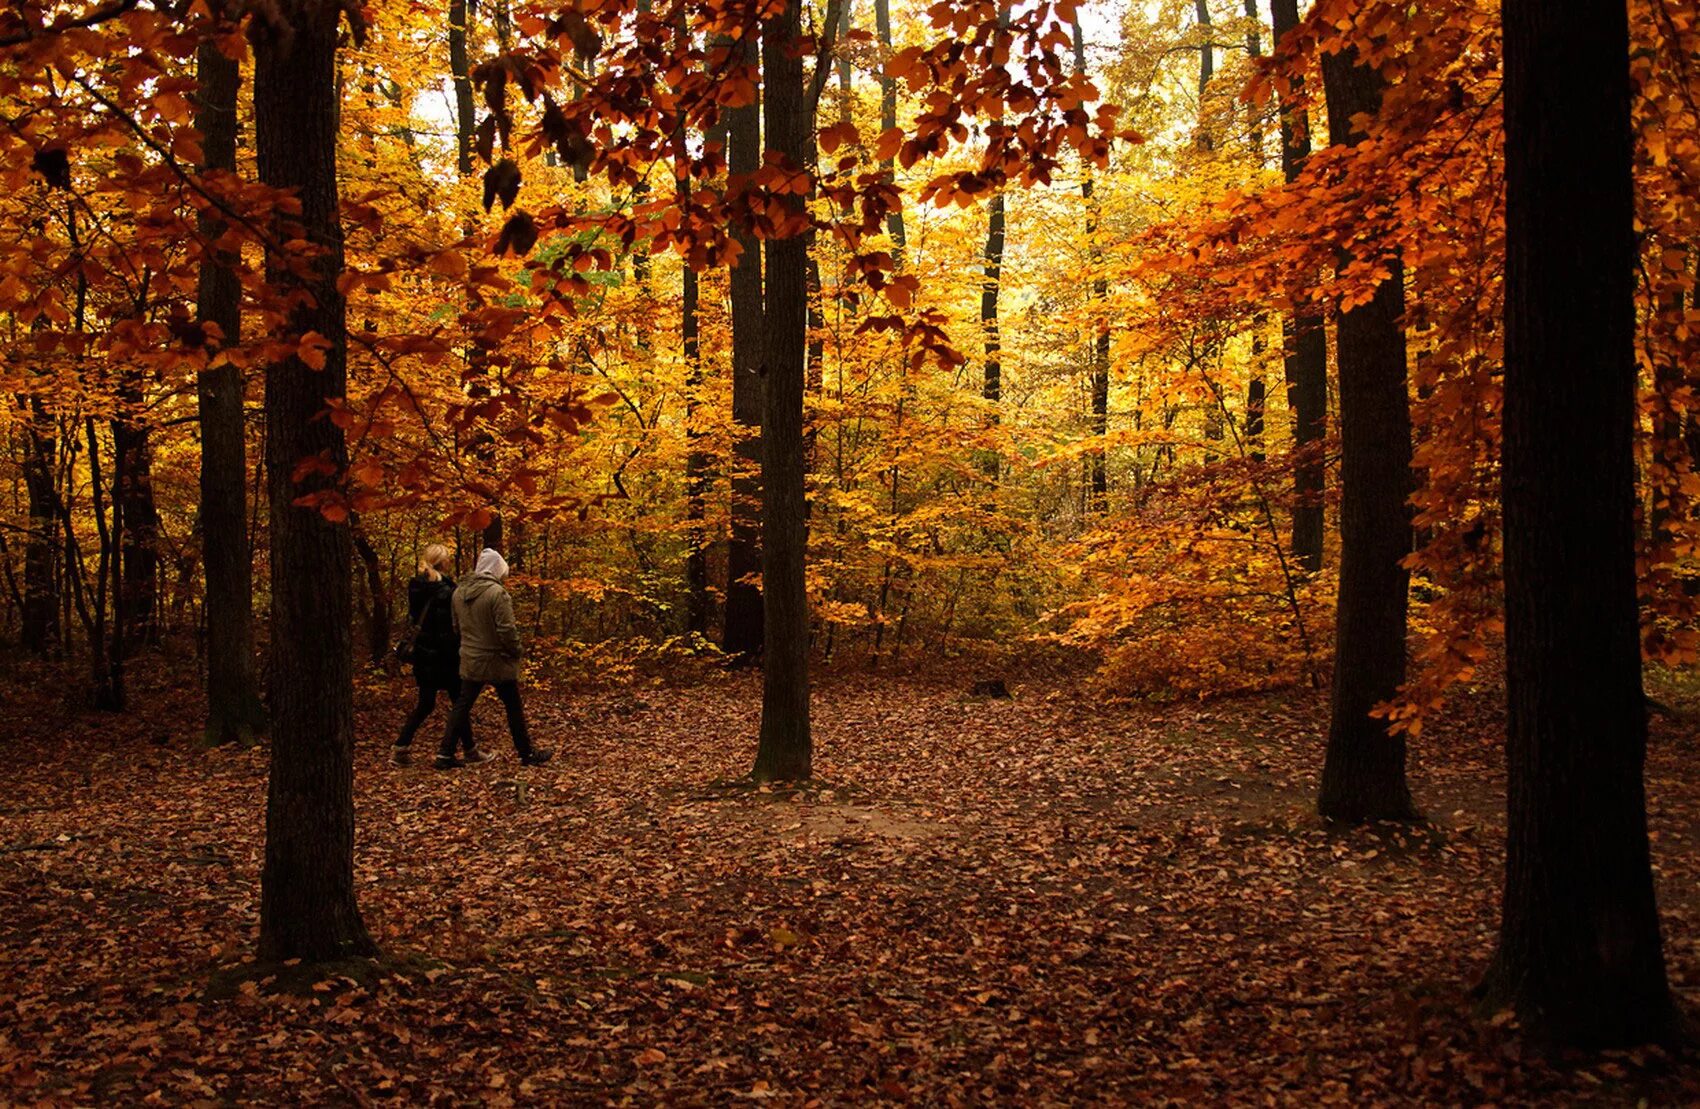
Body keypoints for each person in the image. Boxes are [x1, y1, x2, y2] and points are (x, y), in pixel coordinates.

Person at [437, 547, 553, 769]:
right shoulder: (497, 594)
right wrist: (516, 650)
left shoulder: (459, 593)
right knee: (513, 706)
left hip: (471, 657)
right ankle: (526, 752)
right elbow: (506, 630)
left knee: (462, 704)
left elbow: (456, 627)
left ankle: (445, 752)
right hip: (496, 659)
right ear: (496, 570)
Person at [394, 545, 491, 766]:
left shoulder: (417, 587)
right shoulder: (446, 592)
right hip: (443, 657)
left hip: (423, 655)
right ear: (443, 562)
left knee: (428, 703)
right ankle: (468, 750)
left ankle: (401, 747)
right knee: (459, 701)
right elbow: (446, 629)